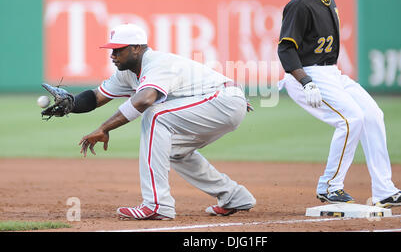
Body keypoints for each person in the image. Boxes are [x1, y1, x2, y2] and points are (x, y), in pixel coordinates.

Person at [46, 23, 256, 220]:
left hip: (222, 100)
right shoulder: (126, 74)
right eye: (112, 50)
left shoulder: (157, 63)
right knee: (172, 151)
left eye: (119, 50)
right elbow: (96, 97)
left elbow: (144, 100)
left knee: (154, 114)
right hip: (216, 103)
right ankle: (233, 196)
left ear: (136, 48)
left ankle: (158, 205)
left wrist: (104, 128)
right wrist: (71, 104)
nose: (113, 55)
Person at [277, 0, 401, 208]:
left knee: (372, 115)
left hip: (331, 73)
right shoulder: (300, 4)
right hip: (307, 75)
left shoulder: (327, 0)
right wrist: (305, 82)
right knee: (350, 119)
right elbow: (286, 50)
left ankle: (384, 190)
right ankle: (330, 186)